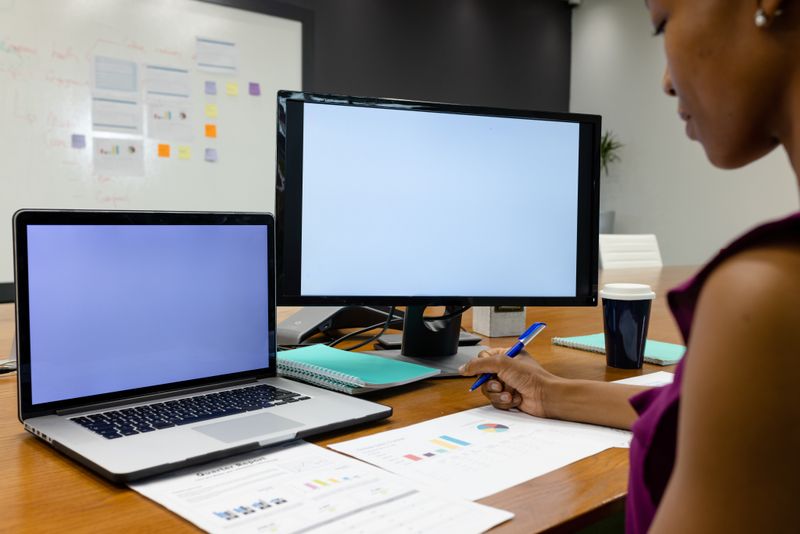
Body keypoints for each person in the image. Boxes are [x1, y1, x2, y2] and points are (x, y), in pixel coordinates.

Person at [460, 1, 800, 532]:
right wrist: (550, 392)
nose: (667, 81)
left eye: (662, 25)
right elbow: (687, 411)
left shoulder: (766, 296)